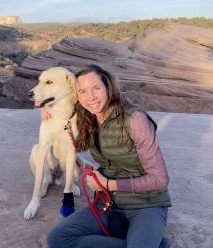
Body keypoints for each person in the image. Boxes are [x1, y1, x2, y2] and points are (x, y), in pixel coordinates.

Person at [46, 64, 171, 248]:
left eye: (96, 88)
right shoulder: (87, 117)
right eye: (83, 91)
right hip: (108, 203)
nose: (91, 97)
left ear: (108, 87)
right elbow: (56, 97)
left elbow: (160, 180)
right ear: (77, 96)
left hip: (146, 204)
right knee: (58, 239)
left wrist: (108, 184)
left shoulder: (135, 119)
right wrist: (48, 109)